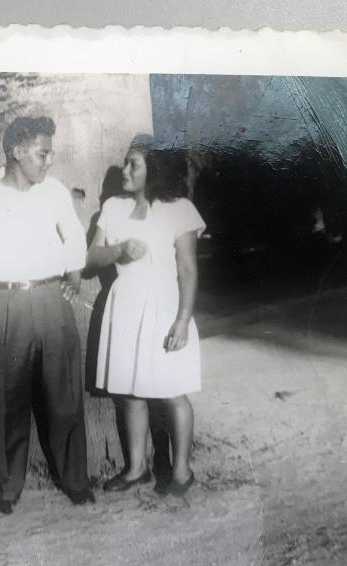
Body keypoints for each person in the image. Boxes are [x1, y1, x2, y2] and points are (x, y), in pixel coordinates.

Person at [0, 115, 94, 516]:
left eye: (50, 153)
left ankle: (75, 480)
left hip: (51, 299)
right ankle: (3, 488)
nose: (49, 161)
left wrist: (73, 272)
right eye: (42, 153)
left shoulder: (52, 192)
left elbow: (73, 234)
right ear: (17, 151)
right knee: (7, 401)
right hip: (6, 303)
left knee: (64, 395)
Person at [86, 134, 205, 496]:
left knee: (172, 392)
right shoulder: (112, 209)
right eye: (125, 163)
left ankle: (182, 470)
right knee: (131, 392)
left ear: (153, 169)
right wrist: (119, 250)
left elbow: (187, 269)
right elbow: (89, 260)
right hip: (124, 304)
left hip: (165, 306)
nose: (125, 170)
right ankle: (136, 467)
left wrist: (183, 320)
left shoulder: (178, 208)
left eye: (133, 164)